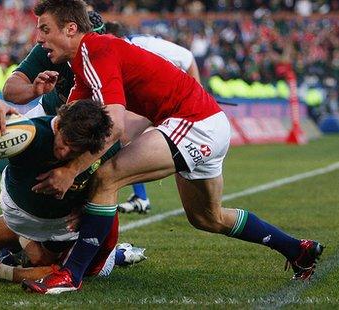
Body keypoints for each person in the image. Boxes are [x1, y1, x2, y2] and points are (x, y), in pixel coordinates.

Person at [17, 0, 323, 294]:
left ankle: (71, 275)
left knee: (107, 176)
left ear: (71, 29)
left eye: (45, 29)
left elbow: (116, 125)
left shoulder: (97, 49)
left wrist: (73, 171)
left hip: (192, 122)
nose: (39, 38)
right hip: (203, 122)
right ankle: (298, 250)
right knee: (207, 218)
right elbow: (69, 127)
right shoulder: (85, 65)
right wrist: (17, 129)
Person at [0, 99, 146, 283]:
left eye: (74, 151)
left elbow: (56, 272)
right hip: (26, 215)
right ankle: (24, 245)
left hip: (67, 227)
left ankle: (117, 255)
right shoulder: (33, 133)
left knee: (58, 264)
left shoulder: (102, 149)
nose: (64, 153)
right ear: (59, 125)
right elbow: (9, 116)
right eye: (64, 141)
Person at [1, 10, 154, 214]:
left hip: (90, 129)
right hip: (48, 118)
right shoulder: (51, 49)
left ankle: (93, 226)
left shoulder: (113, 57)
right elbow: (9, 90)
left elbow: (119, 128)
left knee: (102, 175)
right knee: (14, 156)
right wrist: (33, 89)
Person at [104, 20, 203, 213]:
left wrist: (196, 95)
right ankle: (140, 197)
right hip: (151, 100)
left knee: (124, 134)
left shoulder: (144, 45)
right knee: (122, 134)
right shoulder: (116, 55)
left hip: (176, 100)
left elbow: (187, 58)